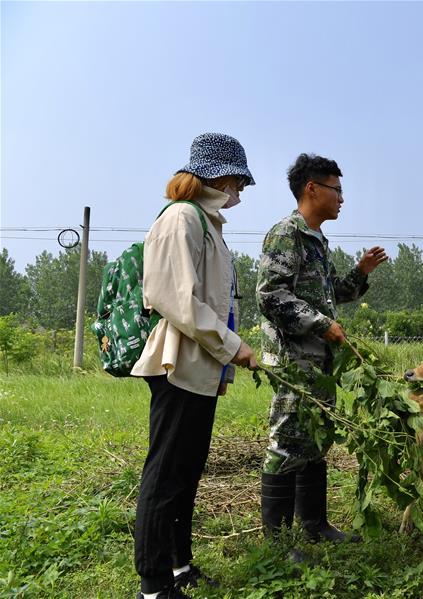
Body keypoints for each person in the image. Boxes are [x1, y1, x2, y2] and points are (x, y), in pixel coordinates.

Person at [131, 132, 260, 599]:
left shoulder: (208, 224)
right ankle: (153, 583)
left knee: (188, 470)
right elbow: (175, 299)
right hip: (179, 364)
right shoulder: (181, 219)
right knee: (166, 472)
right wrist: (232, 346)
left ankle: (179, 564)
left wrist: (224, 356)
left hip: (202, 366)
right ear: (218, 175)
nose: (240, 192)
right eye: (238, 182)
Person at [256, 153, 387, 561]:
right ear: (312, 188)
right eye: (337, 189)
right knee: (286, 442)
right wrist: (320, 325)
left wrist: (361, 272)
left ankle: (314, 526)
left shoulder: (317, 241)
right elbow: (270, 295)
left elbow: (332, 295)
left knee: (314, 441)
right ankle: (276, 545)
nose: (342, 198)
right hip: (294, 361)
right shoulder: (286, 234)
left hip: (319, 363)